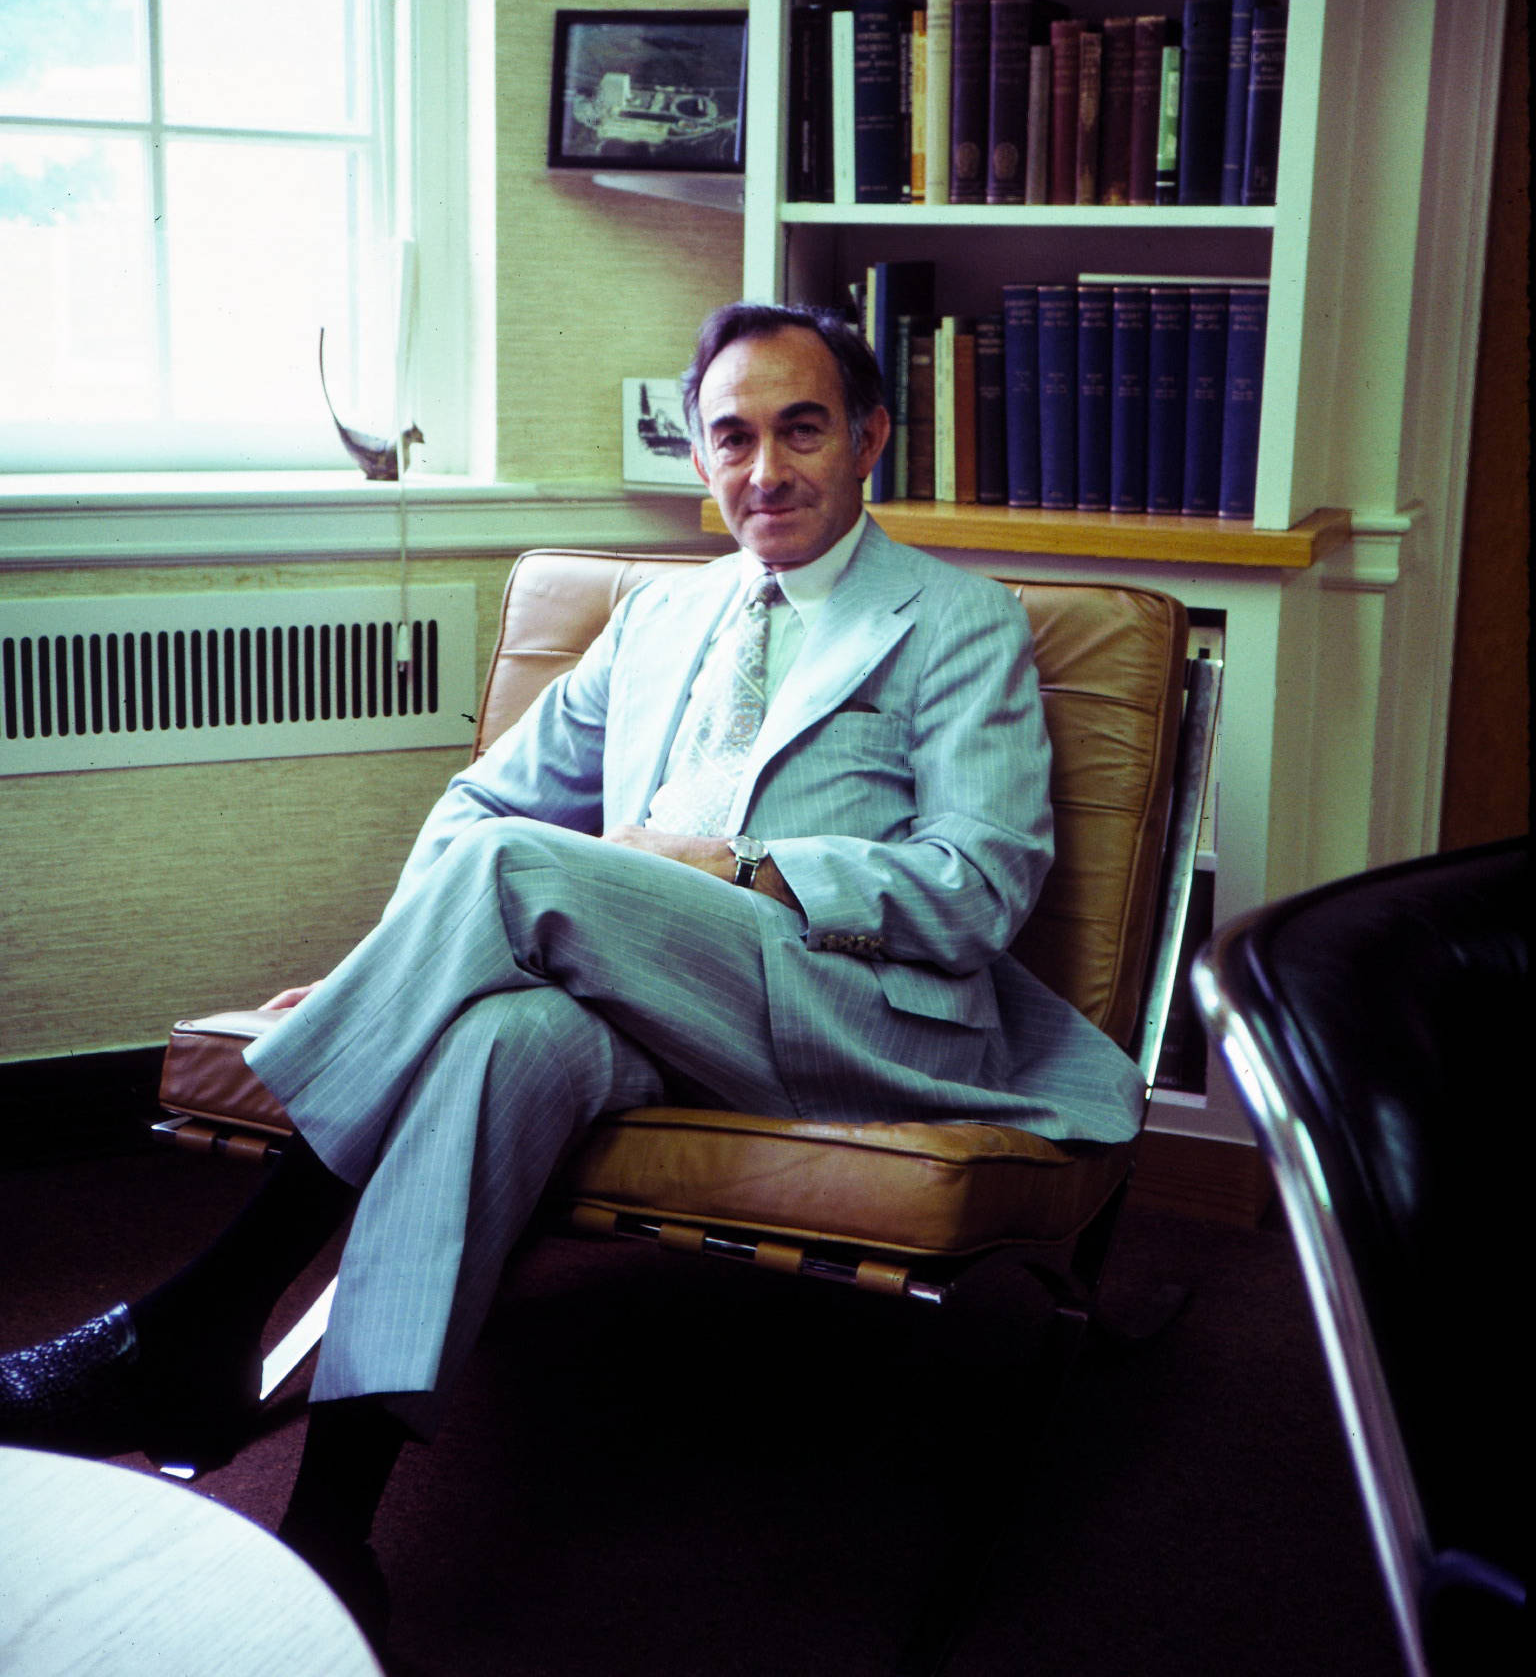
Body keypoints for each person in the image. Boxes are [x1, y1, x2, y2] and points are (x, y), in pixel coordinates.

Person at [1, 302, 1142, 1638]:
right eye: (733, 438)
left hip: (856, 1012)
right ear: (700, 458)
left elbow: (980, 884)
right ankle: (331, 1527)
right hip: (653, 1000)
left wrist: (743, 865)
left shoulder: (958, 621)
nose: (766, 468)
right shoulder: (658, 615)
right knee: (498, 1041)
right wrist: (403, 969)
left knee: (520, 872)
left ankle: (203, 1314)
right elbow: (485, 800)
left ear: (869, 438)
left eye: (803, 429)